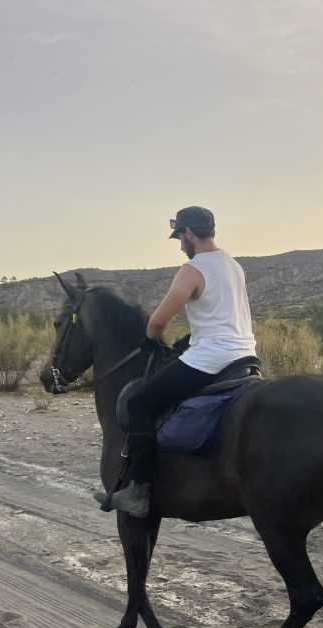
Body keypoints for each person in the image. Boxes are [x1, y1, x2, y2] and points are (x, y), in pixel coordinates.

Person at [107, 206, 257, 517]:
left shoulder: (193, 269)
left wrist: (151, 336)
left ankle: (139, 492)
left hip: (210, 359)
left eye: (180, 237)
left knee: (139, 403)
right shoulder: (234, 265)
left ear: (189, 233)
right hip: (246, 356)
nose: (180, 245)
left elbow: (158, 321)